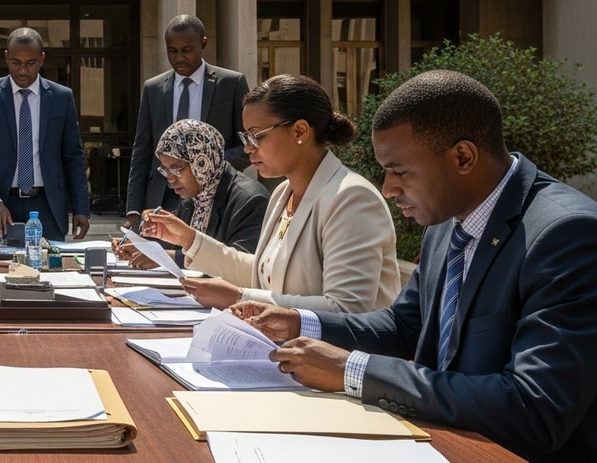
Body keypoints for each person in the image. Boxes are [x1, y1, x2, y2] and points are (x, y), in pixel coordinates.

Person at [236, 70, 597, 462]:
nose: (388, 189)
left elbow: (536, 409)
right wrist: (300, 322)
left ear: (463, 156)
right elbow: (406, 326)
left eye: (400, 171)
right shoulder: (447, 218)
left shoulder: (567, 235)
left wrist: (354, 370)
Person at [144, 74, 400, 312]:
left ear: (300, 131)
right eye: (245, 138)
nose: (247, 149)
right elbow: (263, 274)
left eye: (256, 136)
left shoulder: (351, 198)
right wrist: (191, 240)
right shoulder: (282, 193)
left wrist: (241, 298)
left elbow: (346, 309)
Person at [124, 14, 250, 232]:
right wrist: (133, 209)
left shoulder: (230, 84)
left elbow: (248, 145)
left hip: (211, 198)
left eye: (186, 50)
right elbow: (142, 151)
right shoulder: (153, 88)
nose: (179, 58)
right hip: (161, 199)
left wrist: (203, 168)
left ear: (203, 44)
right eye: (172, 51)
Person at [0, 27, 91, 242]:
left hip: (48, 207)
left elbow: (73, 156)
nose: (23, 71)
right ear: (6, 58)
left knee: (51, 272)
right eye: (16, 63)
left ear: (42, 59)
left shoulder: (61, 97)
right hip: (0, 206)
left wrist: (81, 207)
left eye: (30, 63)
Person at [117, 120, 268, 269]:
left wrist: (168, 258)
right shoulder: (194, 196)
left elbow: (242, 266)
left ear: (202, 161)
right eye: (165, 170)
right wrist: (144, 248)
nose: (170, 178)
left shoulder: (250, 200)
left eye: (176, 168)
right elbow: (179, 247)